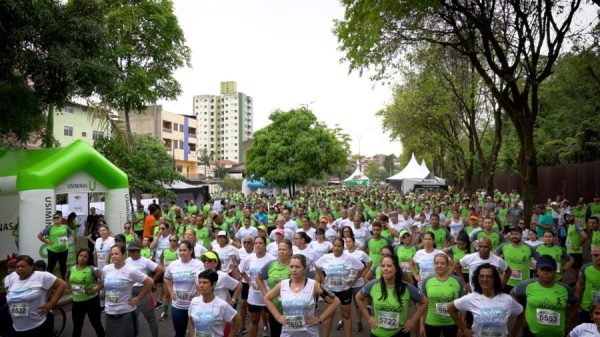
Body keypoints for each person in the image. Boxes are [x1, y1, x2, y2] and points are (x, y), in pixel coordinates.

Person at [264, 254, 340, 337]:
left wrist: (320, 319)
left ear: (304, 269)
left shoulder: (314, 285)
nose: (293, 270)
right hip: (288, 333)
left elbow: (335, 302)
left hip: (309, 333)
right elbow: (267, 298)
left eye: (297, 267)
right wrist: (278, 317)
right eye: (291, 266)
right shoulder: (282, 284)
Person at [355, 255, 428, 337]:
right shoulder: (373, 285)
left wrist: (413, 321)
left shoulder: (406, 287)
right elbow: (358, 298)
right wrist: (368, 317)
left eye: (389, 266)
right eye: (383, 266)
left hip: (400, 332)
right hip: (377, 333)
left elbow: (424, 302)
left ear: (396, 269)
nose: (385, 268)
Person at [448, 263, 523, 337]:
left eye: (489, 276)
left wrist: (513, 333)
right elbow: (450, 308)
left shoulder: (507, 300)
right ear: (477, 279)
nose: (484, 279)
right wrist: (463, 329)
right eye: (481, 276)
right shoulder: (471, 298)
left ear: (495, 279)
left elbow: (521, 313)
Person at [512, 255, 578, 337]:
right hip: (531, 333)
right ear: (537, 271)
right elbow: (513, 294)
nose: (545, 273)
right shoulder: (526, 285)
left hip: (557, 334)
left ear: (555, 272)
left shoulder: (565, 289)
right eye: (542, 269)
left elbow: (575, 302)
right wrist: (521, 315)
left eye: (549, 270)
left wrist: (569, 320)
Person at [315, 237, 366, 337]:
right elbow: (317, 266)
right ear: (332, 246)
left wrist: (354, 280)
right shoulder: (326, 257)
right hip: (330, 291)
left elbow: (361, 268)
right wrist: (322, 278)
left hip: (344, 291)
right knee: (328, 316)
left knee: (346, 316)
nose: (337, 248)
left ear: (343, 247)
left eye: (339, 246)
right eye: (335, 245)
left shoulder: (349, 258)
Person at [4, 255, 66, 336]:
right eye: (17, 266)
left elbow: (62, 285)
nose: (19, 268)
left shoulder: (42, 276)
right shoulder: (11, 278)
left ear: (32, 266)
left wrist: (51, 303)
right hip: (17, 327)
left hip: (38, 325)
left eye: (23, 266)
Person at [163, 240, 204, 337]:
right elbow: (167, 278)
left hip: (194, 305)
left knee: (195, 333)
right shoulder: (173, 265)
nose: (181, 253)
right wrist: (171, 292)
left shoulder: (199, 264)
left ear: (191, 251)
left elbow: (204, 281)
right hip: (178, 305)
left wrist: (198, 294)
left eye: (184, 250)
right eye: (180, 250)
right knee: (179, 333)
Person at [239, 236, 276, 337]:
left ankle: (268, 330)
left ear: (265, 245)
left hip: (268, 294)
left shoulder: (272, 259)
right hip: (254, 295)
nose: (258, 245)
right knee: (254, 319)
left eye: (260, 243)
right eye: (256, 243)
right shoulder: (249, 258)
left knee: (271, 320)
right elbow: (241, 270)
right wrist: (249, 282)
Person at [188, 270, 242, 337]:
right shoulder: (194, 302)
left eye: (205, 282)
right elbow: (190, 321)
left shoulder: (222, 305)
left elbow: (237, 319)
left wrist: (231, 335)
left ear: (213, 285)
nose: (201, 285)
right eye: (199, 282)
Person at [125, 242, 164, 337]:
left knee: (150, 319)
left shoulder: (145, 261)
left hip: (143, 290)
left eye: (133, 251)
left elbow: (160, 270)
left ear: (139, 251)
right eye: (130, 251)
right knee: (133, 319)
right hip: (130, 291)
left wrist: (151, 282)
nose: (131, 253)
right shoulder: (126, 261)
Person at [257, 240, 294, 337]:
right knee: (276, 333)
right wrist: (266, 294)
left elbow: (313, 280)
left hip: (294, 308)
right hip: (275, 308)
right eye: (279, 249)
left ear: (290, 251)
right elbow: (258, 278)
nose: (281, 251)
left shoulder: (296, 264)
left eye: (284, 249)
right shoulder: (271, 265)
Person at [422, 254, 464, 337]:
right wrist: (421, 326)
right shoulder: (427, 281)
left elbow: (462, 305)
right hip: (432, 322)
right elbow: (423, 305)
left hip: (452, 322)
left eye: (442, 263)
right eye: (436, 263)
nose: (439, 265)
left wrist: (461, 326)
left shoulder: (457, 280)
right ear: (433, 265)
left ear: (448, 265)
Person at [67, 248, 104, 337]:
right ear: (77, 256)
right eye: (80, 256)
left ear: (88, 259)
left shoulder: (92, 269)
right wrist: (70, 288)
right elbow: (66, 278)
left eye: (85, 257)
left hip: (91, 301)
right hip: (76, 302)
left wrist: (95, 289)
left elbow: (104, 281)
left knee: (97, 325)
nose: (82, 258)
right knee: (77, 327)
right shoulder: (71, 268)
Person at [495, 225, 538, 292]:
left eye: (516, 234)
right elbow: (495, 259)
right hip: (507, 282)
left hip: (523, 283)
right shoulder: (503, 246)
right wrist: (499, 273)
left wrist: (536, 268)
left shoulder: (529, 248)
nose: (514, 236)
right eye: (512, 234)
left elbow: (541, 260)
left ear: (521, 234)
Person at [344, 236, 372, 332]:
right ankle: (344, 320)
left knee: (358, 304)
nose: (348, 243)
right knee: (345, 305)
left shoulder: (361, 253)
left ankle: (358, 322)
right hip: (346, 284)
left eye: (350, 241)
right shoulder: (343, 253)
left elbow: (369, 262)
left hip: (358, 283)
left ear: (354, 242)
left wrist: (364, 273)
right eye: (346, 242)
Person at [37, 213, 73, 279]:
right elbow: (39, 236)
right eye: (55, 218)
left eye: (58, 217)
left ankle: (63, 279)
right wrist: (46, 241)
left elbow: (71, 233)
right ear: (53, 220)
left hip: (64, 250)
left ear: (61, 219)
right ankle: (48, 280)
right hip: (52, 250)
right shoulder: (50, 227)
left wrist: (66, 238)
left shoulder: (65, 226)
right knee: (51, 266)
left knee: (63, 265)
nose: (57, 219)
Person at [575, 245, 600, 324]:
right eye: (596, 255)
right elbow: (579, 286)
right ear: (592, 255)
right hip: (586, 307)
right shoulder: (585, 268)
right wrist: (577, 304)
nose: (598, 258)